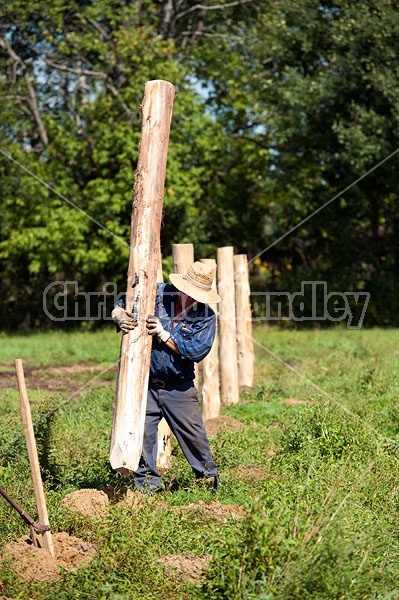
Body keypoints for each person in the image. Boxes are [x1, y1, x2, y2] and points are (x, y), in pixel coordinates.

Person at [111, 261, 220, 493]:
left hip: (178, 387)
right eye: (186, 291)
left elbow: (196, 351)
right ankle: (147, 487)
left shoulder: (206, 317)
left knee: (194, 437)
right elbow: (123, 303)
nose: (188, 297)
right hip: (147, 384)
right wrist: (119, 315)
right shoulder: (158, 293)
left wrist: (164, 334)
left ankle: (208, 480)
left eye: (195, 295)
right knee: (143, 437)